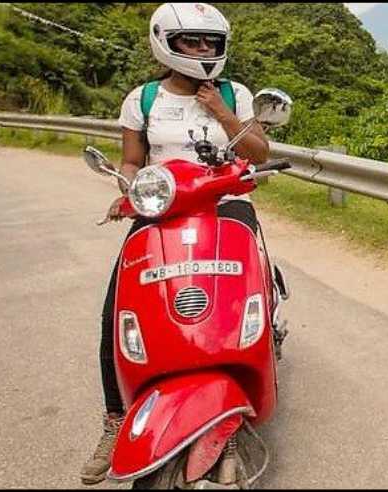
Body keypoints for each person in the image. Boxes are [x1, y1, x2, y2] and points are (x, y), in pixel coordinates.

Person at [80, 3, 270, 486]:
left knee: (244, 297)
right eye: (193, 41)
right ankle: (116, 419)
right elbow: (131, 161)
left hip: (224, 204)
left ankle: (234, 387)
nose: (204, 51)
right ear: (166, 42)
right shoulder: (142, 99)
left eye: (211, 43)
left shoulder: (234, 92)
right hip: (159, 208)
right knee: (117, 313)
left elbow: (259, 152)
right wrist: (125, 189)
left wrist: (222, 112)